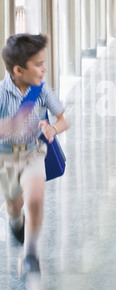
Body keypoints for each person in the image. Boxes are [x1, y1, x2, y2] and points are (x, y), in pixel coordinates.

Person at [0, 33, 69, 276]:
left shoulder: (42, 90)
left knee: (35, 197)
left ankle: (30, 252)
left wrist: (53, 128)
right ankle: (15, 220)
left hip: (33, 152)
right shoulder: (1, 93)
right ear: (19, 70)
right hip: (6, 158)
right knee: (14, 204)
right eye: (38, 64)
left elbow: (63, 120)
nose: (44, 68)